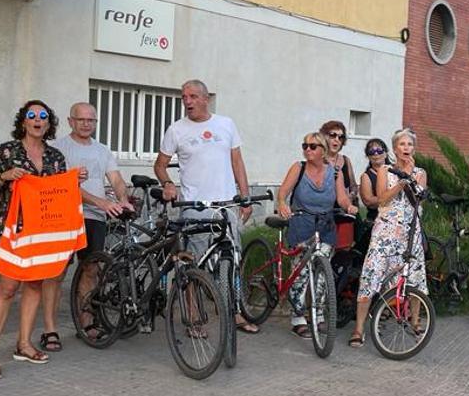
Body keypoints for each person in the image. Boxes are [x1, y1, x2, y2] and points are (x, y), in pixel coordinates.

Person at [0, 100, 75, 379]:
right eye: (32, 115)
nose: (37, 120)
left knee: (34, 284)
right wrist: (4, 176)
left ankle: (23, 344)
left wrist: (74, 180)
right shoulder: (6, 151)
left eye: (43, 116)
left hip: (42, 231)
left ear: (48, 123)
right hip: (10, 230)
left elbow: (59, 193)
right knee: (8, 288)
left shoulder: (56, 157)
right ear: (23, 122)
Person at [154, 79, 259, 334]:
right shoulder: (176, 130)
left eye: (192, 96)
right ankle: (193, 318)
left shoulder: (226, 124)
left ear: (205, 98)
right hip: (194, 206)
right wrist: (168, 183)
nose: (187, 101)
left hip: (225, 205)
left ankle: (234, 313)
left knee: (230, 260)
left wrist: (244, 197)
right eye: (184, 97)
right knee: (193, 265)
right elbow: (160, 165)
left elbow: (237, 162)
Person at [48, 102, 134, 344]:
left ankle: (86, 324)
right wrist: (102, 202)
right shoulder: (57, 148)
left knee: (91, 270)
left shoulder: (102, 150)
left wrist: (122, 199)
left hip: (94, 218)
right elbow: (66, 185)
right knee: (57, 273)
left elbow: (116, 179)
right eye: (82, 119)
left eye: (91, 120)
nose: (87, 124)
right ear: (70, 121)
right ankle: (50, 329)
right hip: (64, 216)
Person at [276, 132, 358, 338]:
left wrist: (349, 206)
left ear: (322, 150)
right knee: (301, 272)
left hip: (325, 225)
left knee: (322, 273)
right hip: (301, 223)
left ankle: (318, 314)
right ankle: (297, 317)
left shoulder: (335, 172)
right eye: (305, 146)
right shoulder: (299, 168)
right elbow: (283, 192)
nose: (307, 150)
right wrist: (282, 204)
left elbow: (340, 198)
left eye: (312, 146)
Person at [352, 129, 428, 347]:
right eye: (402, 145)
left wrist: (411, 174)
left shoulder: (420, 172)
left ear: (414, 149)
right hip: (385, 233)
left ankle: (415, 321)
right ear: (394, 149)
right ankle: (358, 329)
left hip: (409, 233)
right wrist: (401, 183)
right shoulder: (385, 170)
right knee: (371, 276)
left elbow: (419, 200)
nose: (406, 148)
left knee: (414, 278)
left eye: (410, 145)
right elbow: (382, 199)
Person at [320, 120, 358, 205]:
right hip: (322, 209)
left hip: (343, 208)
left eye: (341, 137)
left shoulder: (346, 160)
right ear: (324, 137)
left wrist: (351, 195)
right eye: (333, 135)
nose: (337, 140)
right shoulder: (317, 160)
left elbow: (353, 186)